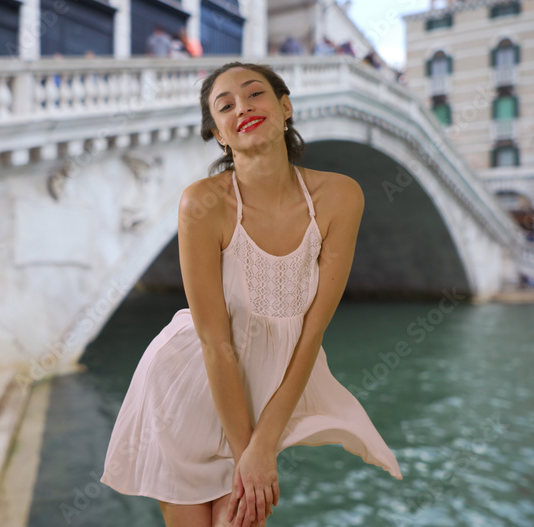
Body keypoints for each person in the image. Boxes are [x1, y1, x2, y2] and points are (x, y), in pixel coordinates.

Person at [100, 62, 403, 527]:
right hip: (185, 387)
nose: (242, 108)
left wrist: (263, 445)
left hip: (265, 393)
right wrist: (249, 453)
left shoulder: (341, 196)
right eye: (225, 106)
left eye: (254, 94)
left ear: (285, 108)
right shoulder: (202, 203)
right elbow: (214, 343)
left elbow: (313, 330)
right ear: (220, 134)